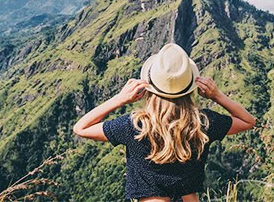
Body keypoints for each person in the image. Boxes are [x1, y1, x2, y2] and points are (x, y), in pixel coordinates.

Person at [73, 43, 256, 202]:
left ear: (150, 87)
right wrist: (217, 95)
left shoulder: (135, 126)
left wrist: (120, 99)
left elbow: (81, 128)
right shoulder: (203, 123)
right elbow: (247, 121)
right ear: (189, 86)